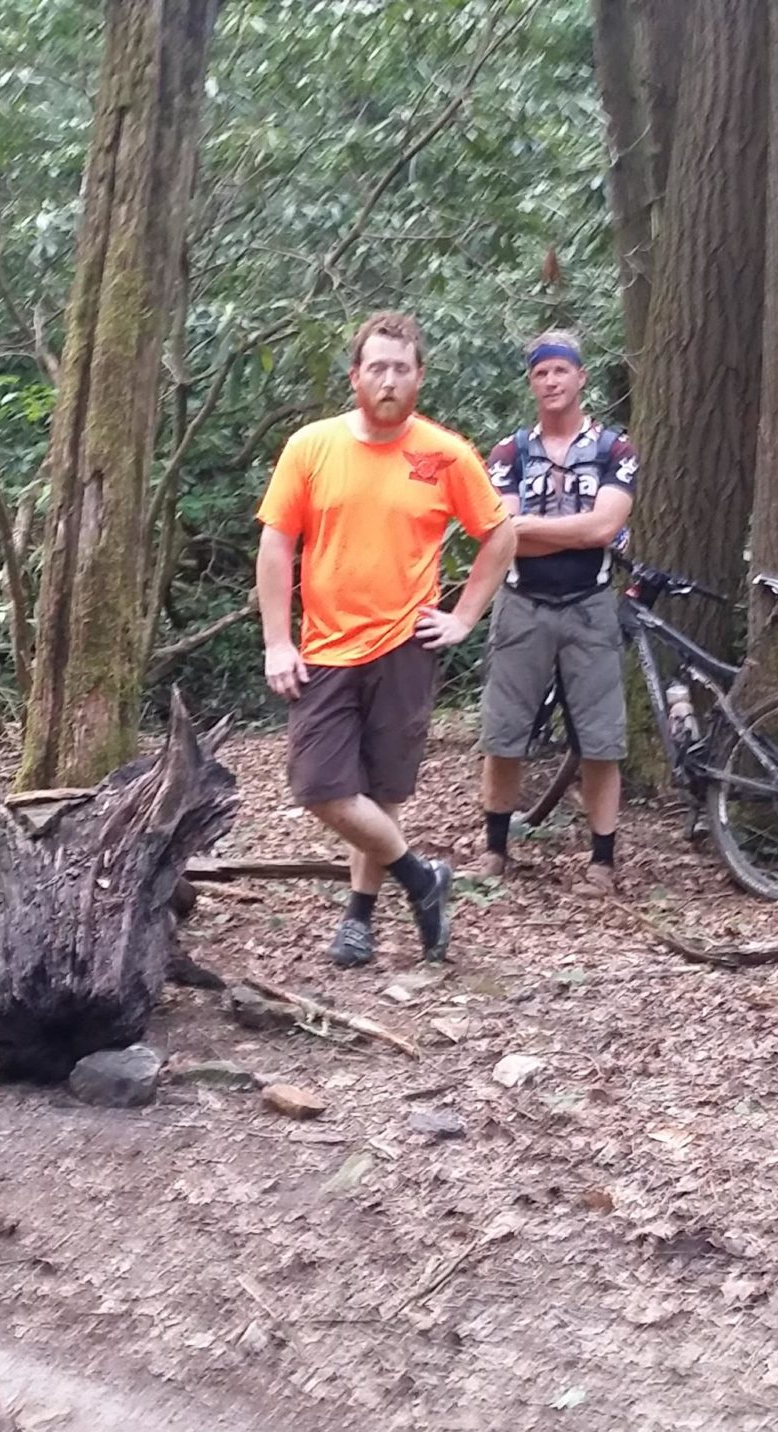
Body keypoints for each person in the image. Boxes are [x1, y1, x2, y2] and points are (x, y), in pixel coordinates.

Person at [256, 311, 516, 970]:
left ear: (420, 376)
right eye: (378, 367)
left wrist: (462, 617)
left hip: (405, 644)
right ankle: (421, 878)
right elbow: (277, 542)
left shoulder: (445, 454)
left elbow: (500, 536)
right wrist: (277, 642)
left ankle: (360, 918)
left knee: (384, 792)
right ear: (356, 376)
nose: (390, 379)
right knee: (321, 788)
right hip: (324, 647)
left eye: (402, 368)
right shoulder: (311, 447)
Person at [472, 331, 637, 894]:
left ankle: (603, 861)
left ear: (581, 377)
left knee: (600, 738)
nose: (551, 381)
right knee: (504, 731)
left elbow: (605, 526)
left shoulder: (615, 449)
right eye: (541, 373)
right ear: (531, 383)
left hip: (591, 605)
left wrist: (533, 529)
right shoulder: (508, 453)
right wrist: (574, 531)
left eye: (561, 371)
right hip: (521, 605)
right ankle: (494, 849)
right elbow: (504, 537)